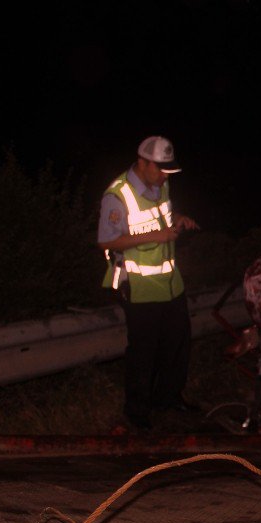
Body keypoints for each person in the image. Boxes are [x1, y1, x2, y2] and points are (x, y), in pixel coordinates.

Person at [98, 136, 200, 431]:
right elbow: (105, 240)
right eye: (159, 169)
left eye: (168, 169)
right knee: (144, 351)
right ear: (142, 163)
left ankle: (168, 398)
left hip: (170, 281)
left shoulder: (162, 184)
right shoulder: (118, 195)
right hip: (140, 285)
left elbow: (164, 216)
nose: (164, 175)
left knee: (178, 343)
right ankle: (137, 412)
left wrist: (179, 218)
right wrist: (156, 237)